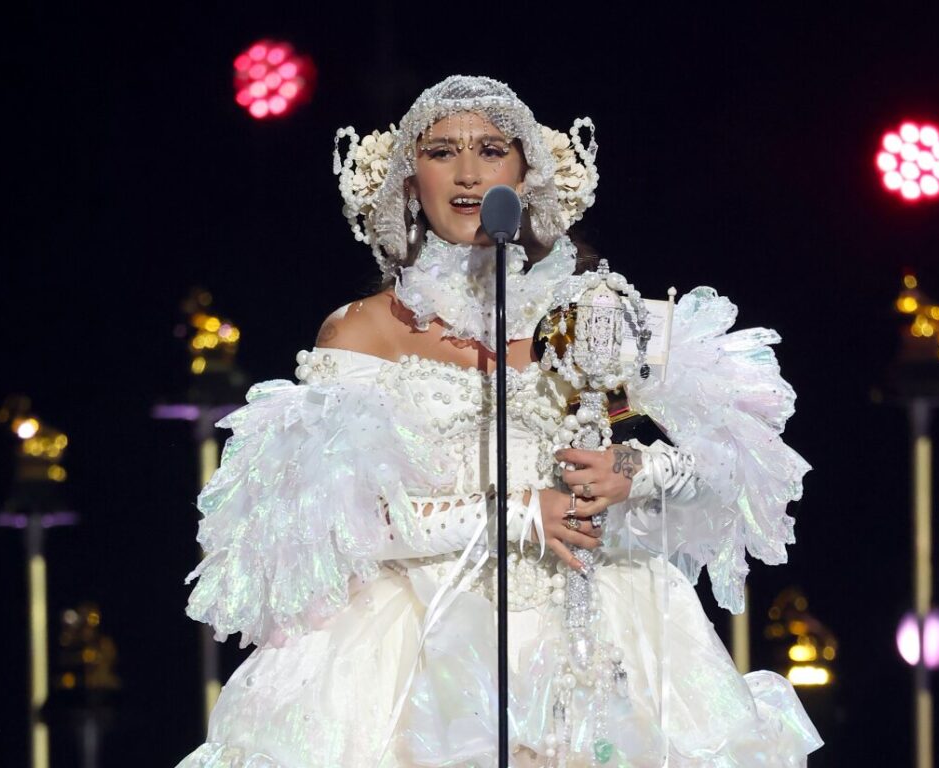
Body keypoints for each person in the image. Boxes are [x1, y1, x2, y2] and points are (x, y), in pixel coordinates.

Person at [176, 75, 822, 767]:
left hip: (597, 621)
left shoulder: (592, 313)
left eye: (491, 149)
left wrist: (635, 470)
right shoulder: (365, 330)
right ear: (407, 177)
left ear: (525, 172)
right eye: (441, 150)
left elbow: (731, 464)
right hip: (420, 635)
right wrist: (522, 515)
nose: (467, 172)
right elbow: (345, 522)